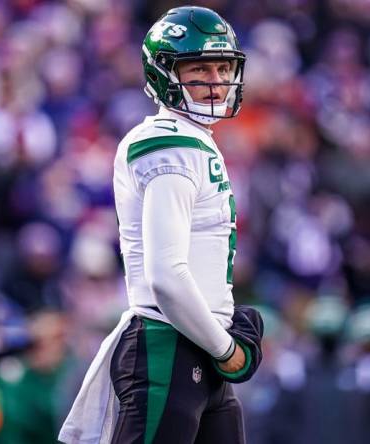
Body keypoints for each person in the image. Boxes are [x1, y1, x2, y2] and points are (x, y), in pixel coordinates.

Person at [60, 6, 260, 444]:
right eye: (198, 68)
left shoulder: (193, 141)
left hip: (196, 345)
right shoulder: (168, 142)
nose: (214, 80)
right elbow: (167, 276)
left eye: (222, 67)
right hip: (169, 343)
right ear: (164, 75)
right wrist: (226, 349)